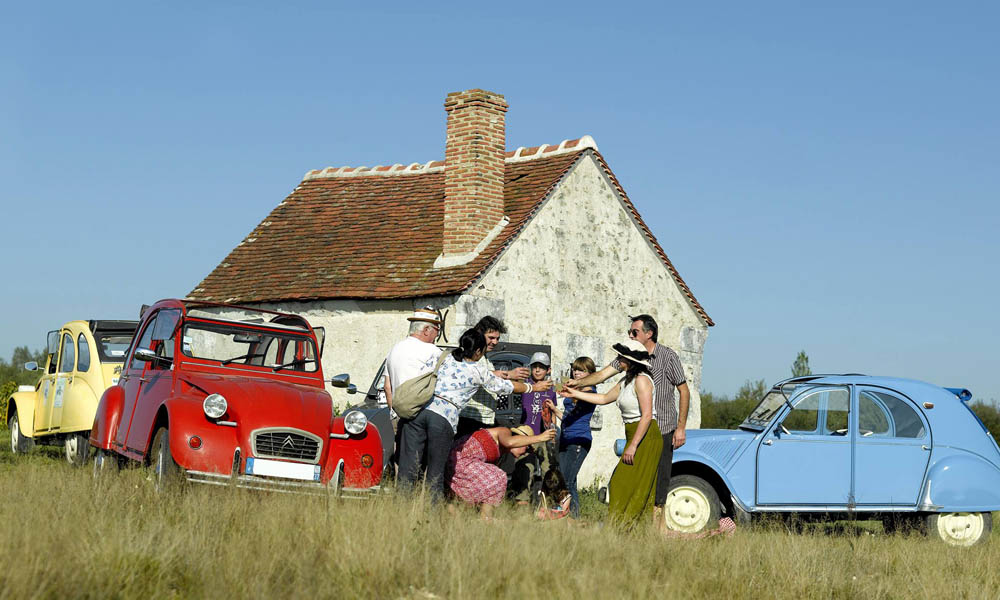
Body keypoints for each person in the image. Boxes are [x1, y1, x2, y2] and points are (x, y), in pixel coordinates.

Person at [397, 329, 551, 501]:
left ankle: (400, 509)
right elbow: (504, 386)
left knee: (408, 467)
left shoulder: (444, 358)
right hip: (443, 419)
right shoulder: (478, 370)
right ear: (478, 351)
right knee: (436, 471)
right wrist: (533, 387)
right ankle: (433, 513)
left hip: (419, 412)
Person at [567, 314, 689, 530]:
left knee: (656, 487)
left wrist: (681, 428)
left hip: (659, 429)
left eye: (634, 332)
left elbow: (683, 390)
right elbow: (603, 383)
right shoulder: (628, 369)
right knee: (629, 483)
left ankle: (649, 531)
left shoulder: (665, 358)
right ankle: (625, 528)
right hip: (638, 432)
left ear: (648, 334)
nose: (630, 334)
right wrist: (575, 386)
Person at [561, 340, 662, 529]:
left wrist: (633, 445)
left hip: (646, 436)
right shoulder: (626, 381)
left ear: (629, 360)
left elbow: (647, 415)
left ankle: (626, 528)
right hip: (634, 434)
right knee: (619, 485)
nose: (618, 361)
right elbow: (603, 398)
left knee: (629, 485)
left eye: (621, 358)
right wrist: (574, 393)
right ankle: (620, 527)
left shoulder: (642, 380)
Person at [445, 424, 555, 519]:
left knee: (468, 499)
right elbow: (509, 442)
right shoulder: (504, 431)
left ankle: (463, 521)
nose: (526, 452)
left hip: (459, 466)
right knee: (499, 477)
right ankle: (486, 519)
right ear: (519, 440)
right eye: (527, 447)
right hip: (458, 460)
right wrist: (540, 437)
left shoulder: (500, 454)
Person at [456, 316, 530, 437]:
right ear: (479, 334)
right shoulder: (470, 355)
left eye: (497, 339)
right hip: (470, 419)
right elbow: (477, 374)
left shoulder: (485, 358)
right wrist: (511, 375)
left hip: (483, 419)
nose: (495, 342)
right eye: (491, 338)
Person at [544, 356, 597, 518]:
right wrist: (553, 407)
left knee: (566, 479)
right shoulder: (574, 389)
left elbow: (579, 393)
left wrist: (567, 387)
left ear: (590, 373)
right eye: (575, 369)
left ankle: (571, 516)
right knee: (567, 480)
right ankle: (572, 517)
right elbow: (567, 417)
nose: (576, 372)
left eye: (581, 370)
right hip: (567, 438)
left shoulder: (590, 390)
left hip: (579, 440)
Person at [383, 306, 443, 409]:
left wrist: (393, 413)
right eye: (436, 329)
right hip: (421, 417)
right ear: (426, 330)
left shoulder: (394, 349)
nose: (437, 335)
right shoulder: (434, 351)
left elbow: (387, 387)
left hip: (398, 414)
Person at [520, 352, 557, 435]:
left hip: (543, 434)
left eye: (541, 367)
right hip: (524, 433)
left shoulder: (551, 388)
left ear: (549, 370)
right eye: (534, 367)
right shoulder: (524, 384)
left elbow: (553, 413)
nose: (537, 370)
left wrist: (553, 432)